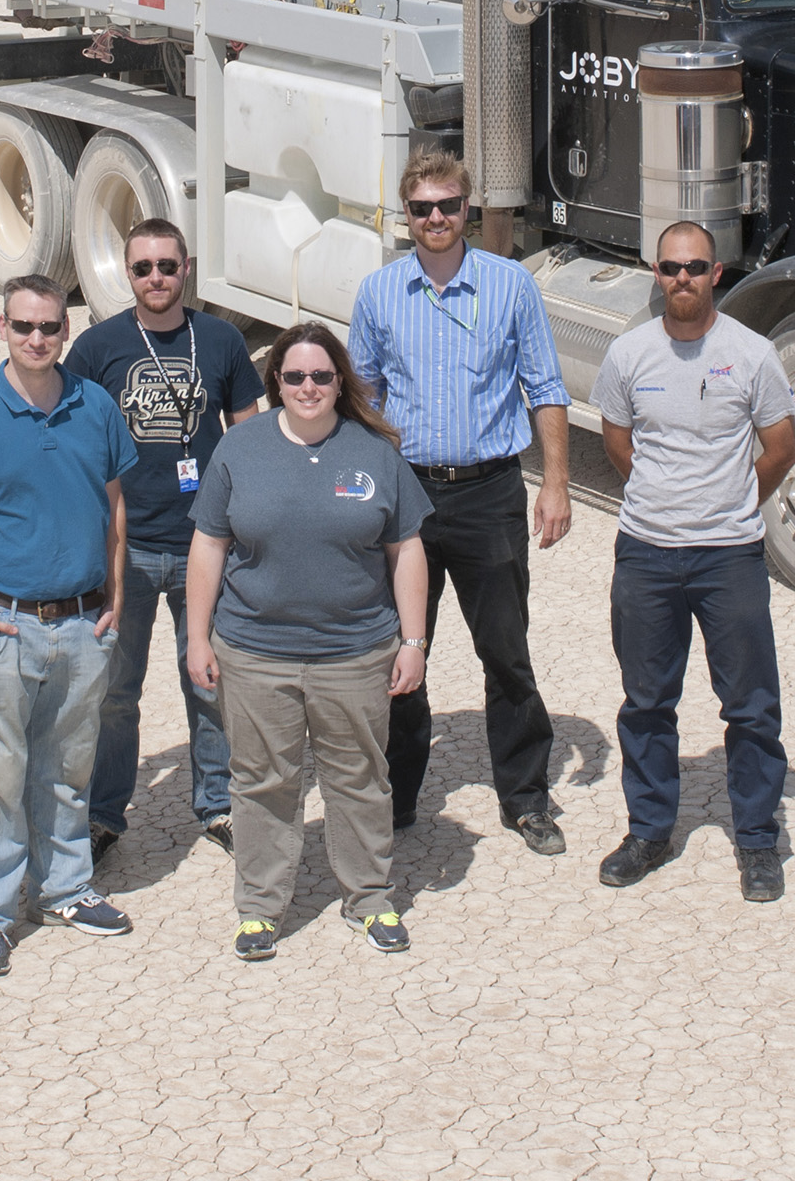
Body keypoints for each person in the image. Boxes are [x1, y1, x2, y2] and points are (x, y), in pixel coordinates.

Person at [345, 146, 575, 853]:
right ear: (406, 215)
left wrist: (559, 484)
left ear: (468, 209)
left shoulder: (510, 287)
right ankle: (398, 794)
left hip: (490, 492)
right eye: (422, 209)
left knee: (505, 651)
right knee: (399, 650)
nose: (436, 218)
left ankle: (526, 796)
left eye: (448, 206)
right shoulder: (379, 294)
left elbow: (546, 388)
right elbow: (362, 398)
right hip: (407, 496)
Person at [0, 275, 136, 979]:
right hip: (0, 625)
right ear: (1, 328)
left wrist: (115, 603)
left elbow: (115, 512)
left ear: (65, 331)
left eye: (49, 328)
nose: (36, 339)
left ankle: (66, 888)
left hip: (80, 625)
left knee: (69, 768)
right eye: (23, 327)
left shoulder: (94, 405)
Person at [187, 324, 433, 959]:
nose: (308, 387)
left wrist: (414, 641)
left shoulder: (376, 453)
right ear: (275, 383)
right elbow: (208, 546)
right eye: (293, 376)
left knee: (359, 776)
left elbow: (406, 549)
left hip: (354, 651)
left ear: (339, 381)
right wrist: (197, 638)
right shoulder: (239, 449)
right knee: (263, 780)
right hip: (254, 651)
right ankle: (260, 909)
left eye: (321, 376)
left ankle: (370, 897)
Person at [589, 222, 795, 901]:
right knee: (647, 702)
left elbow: (780, 447)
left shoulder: (752, 353)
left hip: (728, 556)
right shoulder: (629, 354)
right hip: (647, 553)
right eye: (672, 268)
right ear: (656, 273)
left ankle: (759, 839)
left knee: (750, 705)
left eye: (696, 268)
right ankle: (649, 830)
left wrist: (733, 503)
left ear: (717, 274)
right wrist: (661, 500)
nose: (683, 279)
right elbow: (618, 443)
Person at [64, 218, 265, 867]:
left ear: (187, 269)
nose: (157, 278)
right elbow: (72, 446)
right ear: (128, 274)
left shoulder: (222, 340)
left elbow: (248, 439)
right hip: (124, 550)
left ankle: (219, 804)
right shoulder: (96, 348)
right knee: (116, 692)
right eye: (144, 267)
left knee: (208, 682)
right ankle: (103, 815)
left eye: (168, 266)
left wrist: (247, 529)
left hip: (204, 547)